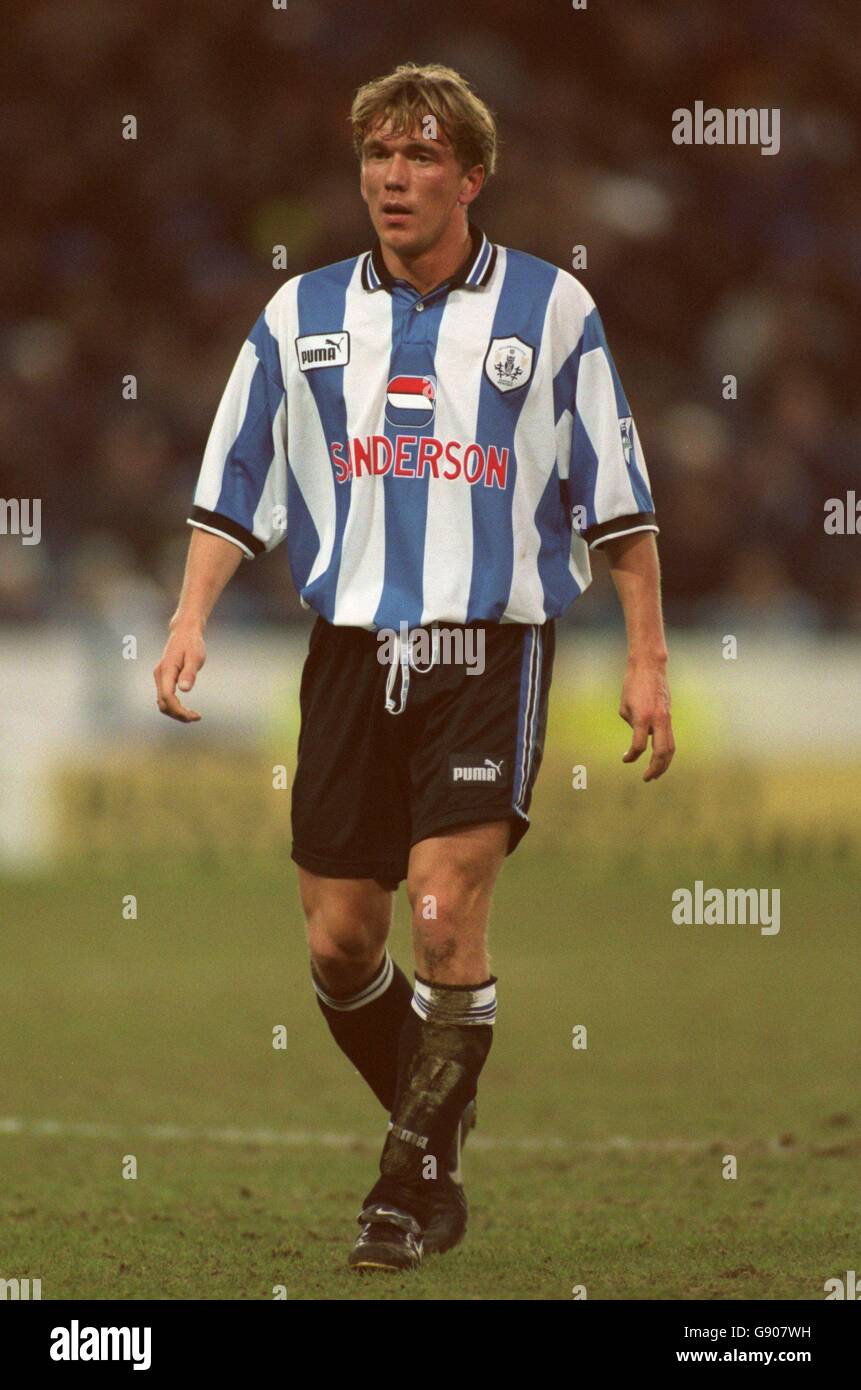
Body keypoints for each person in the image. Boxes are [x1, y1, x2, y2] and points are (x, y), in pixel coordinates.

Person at [154, 62, 675, 1274]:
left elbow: (620, 505)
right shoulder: (300, 316)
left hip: (489, 650)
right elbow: (235, 481)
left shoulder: (552, 311)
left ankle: (406, 1188)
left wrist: (648, 660)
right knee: (343, 940)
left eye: (422, 156)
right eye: (378, 157)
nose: (394, 177)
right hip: (351, 656)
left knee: (443, 914)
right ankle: (440, 1101)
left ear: (471, 176)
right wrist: (187, 616)